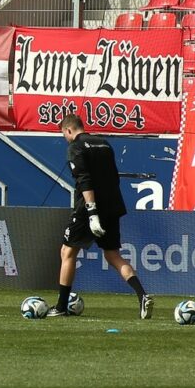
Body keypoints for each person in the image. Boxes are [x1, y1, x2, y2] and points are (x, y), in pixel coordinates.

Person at [54, 116, 152, 319]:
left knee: (67, 251)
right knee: (112, 255)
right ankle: (142, 295)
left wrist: (91, 213)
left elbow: (84, 180)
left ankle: (62, 306)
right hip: (113, 204)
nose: (65, 138)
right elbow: (114, 177)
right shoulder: (104, 143)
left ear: (69, 130)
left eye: (64, 134)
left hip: (89, 208)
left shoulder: (76, 147)